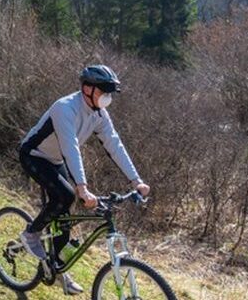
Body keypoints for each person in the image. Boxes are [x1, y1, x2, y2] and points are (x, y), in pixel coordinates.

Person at [17, 65, 151, 295]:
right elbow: (71, 148)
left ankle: (58, 269)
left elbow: (114, 145)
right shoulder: (65, 108)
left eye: (109, 94)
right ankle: (31, 234)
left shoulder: (99, 114)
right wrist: (82, 187)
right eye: (104, 92)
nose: (107, 98)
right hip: (34, 154)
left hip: (56, 159)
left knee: (65, 217)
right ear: (87, 89)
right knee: (67, 195)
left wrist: (136, 181)